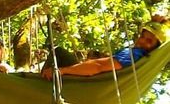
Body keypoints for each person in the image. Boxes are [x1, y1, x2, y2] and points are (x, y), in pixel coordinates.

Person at [41, 14, 169, 80]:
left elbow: (99, 66)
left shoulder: (135, 54)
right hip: (93, 86)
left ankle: (41, 81)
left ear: (154, 47)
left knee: (59, 53)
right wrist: (155, 23)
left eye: (149, 41)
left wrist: (62, 71)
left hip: (87, 84)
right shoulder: (143, 60)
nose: (143, 42)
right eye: (143, 37)